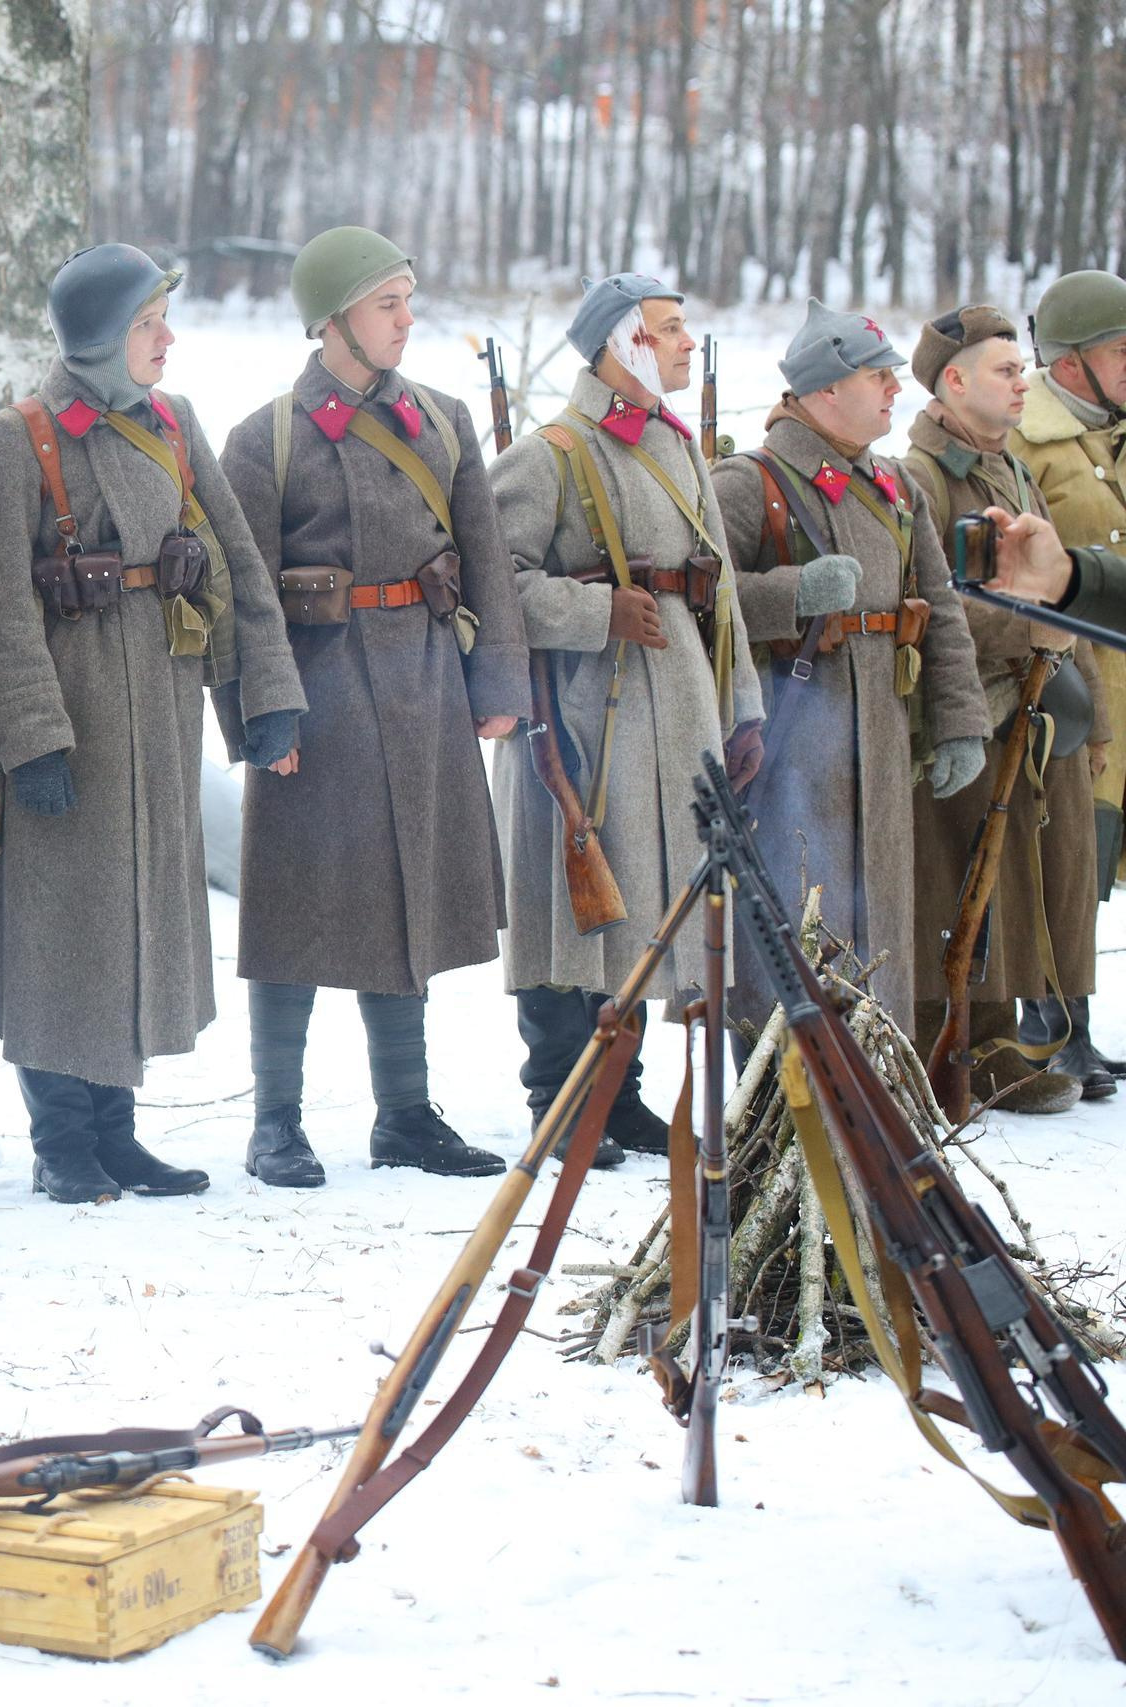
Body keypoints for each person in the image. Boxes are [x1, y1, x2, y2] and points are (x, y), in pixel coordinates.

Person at [0, 242, 301, 1202]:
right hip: (71, 714)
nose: (167, 339)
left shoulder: (174, 423)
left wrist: (267, 695)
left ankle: (115, 1130)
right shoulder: (16, 440)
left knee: (134, 920)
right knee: (60, 927)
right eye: (148, 323)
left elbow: (237, 563)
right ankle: (61, 1139)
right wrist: (33, 739)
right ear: (102, 335)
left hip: (160, 706)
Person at [219, 226, 528, 1186]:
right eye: (387, 303)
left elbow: (485, 560)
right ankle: (276, 1121)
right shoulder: (265, 439)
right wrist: (262, 715)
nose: (406, 319)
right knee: (293, 907)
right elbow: (243, 595)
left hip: (425, 684)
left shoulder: (441, 420)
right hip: (316, 698)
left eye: (407, 300)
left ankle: (405, 1115)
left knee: (410, 899)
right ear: (334, 319)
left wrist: (497, 682)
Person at [488, 274, 766, 1162]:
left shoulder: (676, 444)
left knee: (646, 900)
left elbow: (720, 588)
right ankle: (560, 1097)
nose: (686, 343)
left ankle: (619, 1093)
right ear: (620, 345)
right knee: (567, 907)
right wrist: (597, 610)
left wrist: (744, 709)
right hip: (581, 722)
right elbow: (497, 587)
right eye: (668, 328)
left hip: (675, 707)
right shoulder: (550, 454)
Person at [711, 300, 988, 1026]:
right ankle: (782, 1082)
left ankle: (878, 1072)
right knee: (792, 930)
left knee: (880, 932)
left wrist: (960, 722)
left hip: (884, 748)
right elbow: (702, 602)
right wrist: (792, 594)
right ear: (827, 389)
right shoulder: (749, 481)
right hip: (789, 749)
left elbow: (940, 609)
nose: (897, 388)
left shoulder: (896, 485)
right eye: (878, 376)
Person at [902, 305, 1105, 1109]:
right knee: (952, 883)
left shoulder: (1013, 470)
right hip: (967, 709)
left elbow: (1061, 598)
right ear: (953, 381)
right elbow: (927, 605)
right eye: (1006, 370)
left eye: (1022, 369)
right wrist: (1025, 629)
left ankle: (992, 1043)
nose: (1024, 383)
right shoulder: (921, 477)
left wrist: (1095, 721)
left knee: (1018, 882)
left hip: (1035, 710)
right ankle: (943, 1048)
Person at [1007, 270, 1126, 1080]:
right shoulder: (1026, 441)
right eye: (1121, 353)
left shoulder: (1114, 435)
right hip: (1072, 687)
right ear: (1072, 362)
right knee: (1059, 861)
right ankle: (1051, 1027)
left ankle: (1077, 1025)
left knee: (1093, 868)